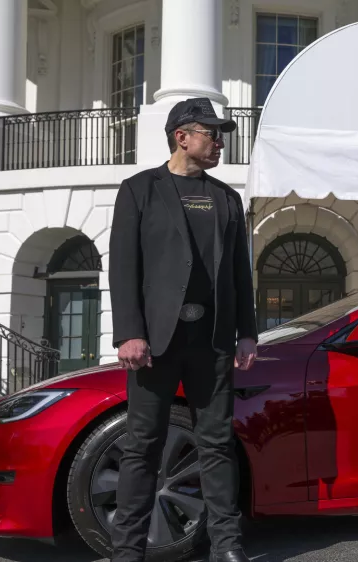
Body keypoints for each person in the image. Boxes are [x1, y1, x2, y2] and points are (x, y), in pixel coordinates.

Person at [108, 97, 259, 562]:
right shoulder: (139, 190)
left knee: (216, 445)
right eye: (212, 133)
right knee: (142, 446)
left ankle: (227, 546)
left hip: (211, 339)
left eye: (220, 134)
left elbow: (239, 271)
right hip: (155, 341)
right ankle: (128, 551)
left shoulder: (226, 198)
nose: (219, 142)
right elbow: (122, 267)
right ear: (182, 137)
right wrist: (128, 332)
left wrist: (247, 332)